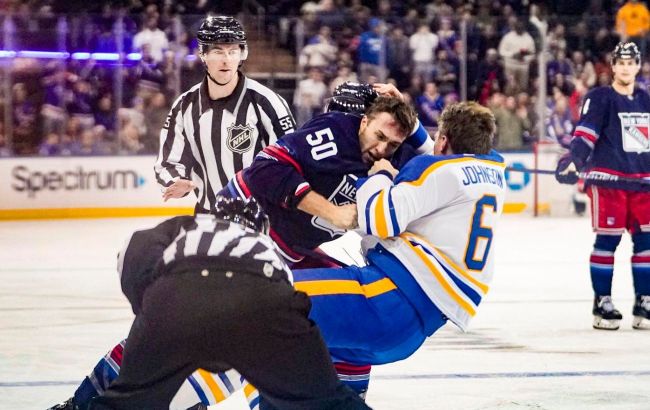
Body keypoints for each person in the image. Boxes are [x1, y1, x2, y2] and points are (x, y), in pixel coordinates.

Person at [85, 196, 369, 410]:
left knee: (129, 400)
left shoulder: (192, 227)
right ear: (262, 228)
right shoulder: (265, 247)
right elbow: (289, 300)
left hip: (176, 296)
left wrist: (149, 306)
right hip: (261, 297)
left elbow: (133, 250)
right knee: (327, 398)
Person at [155, 15, 296, 214]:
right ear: (202, 54)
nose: (226, 59)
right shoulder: (185, 106)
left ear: (242, 53)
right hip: (207, 215)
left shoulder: (268, 103)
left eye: (232, 51)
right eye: (217, 51)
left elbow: (292, 158)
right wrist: (175, 181)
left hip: (260, 217)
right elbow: (168, 160)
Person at [555, 41, 650, 330]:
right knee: (608, 241)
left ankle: (643, 301)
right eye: (620, 62)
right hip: (609, 182)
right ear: (613, 65)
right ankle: (602, 302)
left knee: (646, 245)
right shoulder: (599, 98)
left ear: (637, 65)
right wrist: (575, 160)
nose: (625, 67)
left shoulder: (646, 99)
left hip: (643, 183)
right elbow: (585, 135)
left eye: (630, 62)